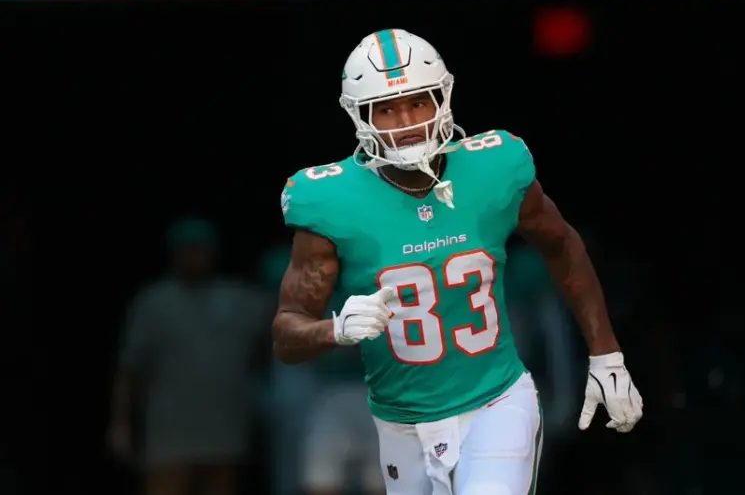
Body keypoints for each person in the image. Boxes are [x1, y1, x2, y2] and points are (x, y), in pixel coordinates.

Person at [273, 29, 643, 495]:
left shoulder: (494, 166)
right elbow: (286, 335)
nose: (406, 120)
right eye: (386, 109)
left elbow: (562, 245)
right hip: (400, 422)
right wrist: (335, 330)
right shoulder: (328, 200)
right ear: (359, 115)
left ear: (443, 98)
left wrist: (606, 353)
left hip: (495, 402)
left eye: (419, 102)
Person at [108, 217, 268, 495]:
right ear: (174, 254)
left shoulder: (240, 299)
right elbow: (130, 369)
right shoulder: (153, 302)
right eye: (187, 250)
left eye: (201, 249)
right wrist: (121, 424)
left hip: (225, 436)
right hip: (168, 438)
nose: (194, 257)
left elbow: (276, 336)